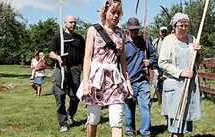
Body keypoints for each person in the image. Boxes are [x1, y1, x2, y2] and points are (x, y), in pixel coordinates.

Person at [77, 0, 133, 137]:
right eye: (112, 12)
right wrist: (85, 82)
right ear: (105, 12)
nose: (115, 16)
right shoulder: (93, 30)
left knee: (117, 120)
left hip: (114, 80)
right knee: (93, 119)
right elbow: (87, 57)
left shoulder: (122, 33)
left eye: (118, 13)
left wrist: (128, 82)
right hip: (96, 80)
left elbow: (122, 61)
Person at [158, 13, 202, 137]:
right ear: (174, 26)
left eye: (186, 25)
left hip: (189, 86)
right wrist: (180, 72)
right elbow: (162, 62)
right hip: (174, 85)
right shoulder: (168, 40)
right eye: (181, 25)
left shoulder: (192, 39)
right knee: (176, 124)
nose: (183, 28)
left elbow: (198, 61)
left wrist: (198, 53)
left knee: (183, 125)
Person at [48, 14, 85, 132]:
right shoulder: (59, 36)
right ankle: (63, 122)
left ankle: (70, 114)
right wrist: (58, 58)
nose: (73, 24)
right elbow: (51, 52)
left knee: (75, 96)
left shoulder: (79, 38)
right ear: (65, 23)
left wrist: (81, 65)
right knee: (59, 95)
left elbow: (83, 54)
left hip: (74, 69)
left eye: (74, 22)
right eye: (71, 22)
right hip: (61, 68)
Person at [124, 17, 158, 137]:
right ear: (127, 29)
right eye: (132, 30)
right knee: (128, 108)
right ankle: (130, 131)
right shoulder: (123, 44)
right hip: (128, 81)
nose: (135, 32)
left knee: (145, 106)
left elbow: (154, 55)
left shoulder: (145, 42)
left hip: (143, 80)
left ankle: (145, 132)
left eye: (136, 29)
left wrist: (149, 61)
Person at [152, 26, 169, 107]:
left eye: (165, 32)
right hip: (157, 65)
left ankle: (166, 102)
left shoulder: (170, 40)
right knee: (156, 83)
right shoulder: (156, 42)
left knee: (166, 83)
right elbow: (152, 53)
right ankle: (160, 103)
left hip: (167, 64)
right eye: (162, 32)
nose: (163, 33)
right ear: (159, 32)